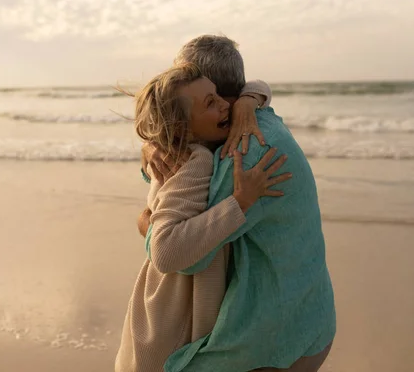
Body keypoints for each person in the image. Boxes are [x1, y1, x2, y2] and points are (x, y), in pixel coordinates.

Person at [140, 35, 336, 372]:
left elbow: (180, 256)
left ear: (212, 89)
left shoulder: (241, 152)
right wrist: (154, 149)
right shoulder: (262, 119)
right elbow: (173, 181)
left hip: (273, 338)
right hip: (310, 312)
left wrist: (145, 224)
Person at [115, 63, 292, 372]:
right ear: (182, 129)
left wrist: (250, 99)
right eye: (211, 102)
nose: (227, 104)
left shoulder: (190, 145)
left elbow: (259, 86)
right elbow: (165, 251)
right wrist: (240, 202)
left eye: (219, 95)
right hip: (170, 323)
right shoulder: (196, 161)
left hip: (168, 310)